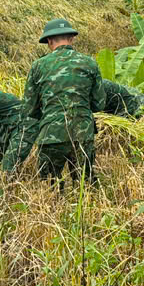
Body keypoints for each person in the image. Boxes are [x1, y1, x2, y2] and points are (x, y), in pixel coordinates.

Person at [23, 18, 105, 182]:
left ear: (49, 41)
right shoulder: (90, 63)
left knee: (49, 188)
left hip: (51, 134)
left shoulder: (38, 66)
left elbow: (29, 108)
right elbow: (99, 103)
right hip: (83, 133)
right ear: (72, 38)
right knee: (85, 185)